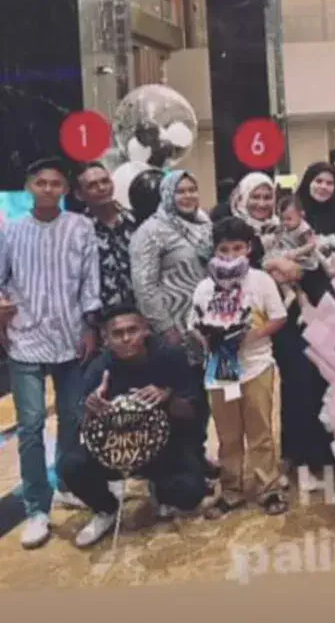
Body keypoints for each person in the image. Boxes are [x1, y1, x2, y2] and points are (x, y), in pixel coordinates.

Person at [0, 158, 100, 549]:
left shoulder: (81, 227)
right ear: (29, 187)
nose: (47, 189)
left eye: (55, 183)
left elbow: (90, 282)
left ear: (65, 189)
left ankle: (71, 483)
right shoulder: (11, 231)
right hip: (25, 338)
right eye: (40, 182)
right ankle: (37, 508)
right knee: (31, 424)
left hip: (72, 336)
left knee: (74, 417)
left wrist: (91, 326)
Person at [61, 306, 207, 547]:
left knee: (190, 492)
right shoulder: (99, 368)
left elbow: (193, 411)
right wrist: (90, 407)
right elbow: (81, 420)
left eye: (133, 330)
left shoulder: (170, 357)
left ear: (146, 330)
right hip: (116, 450)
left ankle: (160, 490)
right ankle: (106, 509)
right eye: (118, 334)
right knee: (70, 465)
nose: (127, 338)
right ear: (106, 339)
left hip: (163, 448)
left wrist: (167, 396)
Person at [231, 171, 335, 478]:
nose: (262, 203)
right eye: (256, 197)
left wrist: (297, 272)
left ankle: (305, 452)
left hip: (288, 317)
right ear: (243, 198)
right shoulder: (233, 229)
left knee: (302, 379)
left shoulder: (284, 228)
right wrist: (270, 266)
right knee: (252, 394)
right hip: (249, 321)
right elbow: (232, 267)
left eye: (267, 197)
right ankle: (248, 468)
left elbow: (309, 266)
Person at [190, 218, 288, 517]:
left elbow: (279, 316)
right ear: (214, 251)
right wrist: (208, 339)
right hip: (220, 370)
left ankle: (268, 487)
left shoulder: (260, 280)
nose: (231, 255)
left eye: (237, 248)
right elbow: (193, 323)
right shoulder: (205, 287)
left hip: (256, 365)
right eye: (224, 249)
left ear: (248, 248)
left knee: (260, 430)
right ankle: (231, 489)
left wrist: (254, 333)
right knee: (228, 434)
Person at [130, 171, 213, 471]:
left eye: (193, 189)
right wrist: (167, 329)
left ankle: (198, 457)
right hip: (173, 330)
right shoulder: (151, 231)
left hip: (204, 328)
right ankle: (180, 469)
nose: (188, 196)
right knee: (180, 399)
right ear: (167, 195)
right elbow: (144, 286)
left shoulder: (203, 224)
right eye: (180, 191)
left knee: (202, 398)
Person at [74, 162, 136, 310]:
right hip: (101, 317)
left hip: (140, 313)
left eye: (105, 181)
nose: (101, 188)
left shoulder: (136, 220)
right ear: (79, 194)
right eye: (92, 185)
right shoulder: (76, 232)